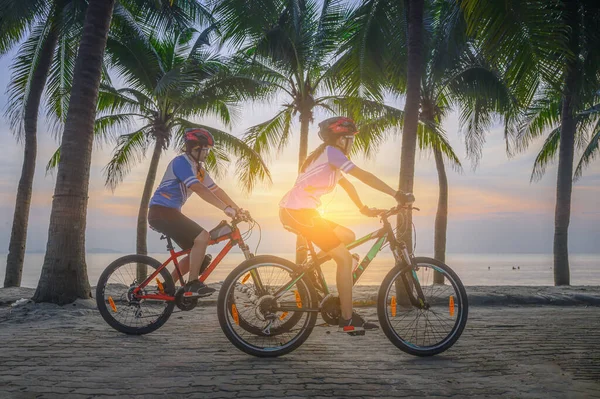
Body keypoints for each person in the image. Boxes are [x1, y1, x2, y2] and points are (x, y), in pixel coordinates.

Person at [279, 116, 415, 334]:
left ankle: (309, 270)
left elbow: (348, 184)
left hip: (306, 213)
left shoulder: (330, 159)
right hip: (297, 212)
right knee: (343, 258)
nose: (352, 143)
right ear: (340, 140)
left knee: (349, 237)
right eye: (350, 138)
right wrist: (396, 194)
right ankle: (347, 318)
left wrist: (363, 208)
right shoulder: (332, 153)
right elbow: (362, 175)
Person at [148, 128, 244, 296]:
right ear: (195, 148)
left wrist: (237, 208)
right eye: (206, 149)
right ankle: (192, 283)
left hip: (169, 213)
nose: (208, 153)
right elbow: (198, 189)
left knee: (196, 252)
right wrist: (225, 208)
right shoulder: (181, 162)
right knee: (203, 237)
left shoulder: (198, 170)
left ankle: (167, 286)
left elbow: (216, 190)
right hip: (161, 211)